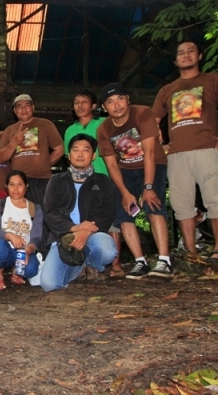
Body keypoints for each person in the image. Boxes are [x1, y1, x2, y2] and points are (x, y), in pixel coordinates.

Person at [152, 40, 218, 264]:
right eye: (181, 53)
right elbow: (152, 121)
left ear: (199, 56)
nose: (186, 55)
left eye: (191, 51)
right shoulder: (167, 90)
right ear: (175, 61)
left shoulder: (214, 80)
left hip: (207, 149)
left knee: (215, 199)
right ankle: (192, 253)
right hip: (176, 155)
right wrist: (161, 143)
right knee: (181, 204)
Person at [97, 83, 172, 279]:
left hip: (153, 164)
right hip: (126, 172)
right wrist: (124, 192)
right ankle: (141, 262)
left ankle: (164, 260)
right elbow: (112, 165)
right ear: (105, 107)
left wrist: (148, 187)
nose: (117, 105)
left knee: (153, 205)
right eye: (110, 102)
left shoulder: (142, 113)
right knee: (123, 214)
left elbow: (149, 152)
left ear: (128, 99)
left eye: (120, 99)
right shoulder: (104, 129)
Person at [39, 134, 118, 292]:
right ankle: (79, 267)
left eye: (85, 150)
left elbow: (107, 213)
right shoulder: (56, 181)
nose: (80, 154)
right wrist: (74, 228)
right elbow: (50, 212)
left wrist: (85, 233)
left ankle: (91, 263)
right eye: (75, 150)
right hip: (64, 237)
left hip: (93, 236)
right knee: (49, 285)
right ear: (69, 156)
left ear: (93, 155)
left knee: (107, 250)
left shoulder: (103, 182)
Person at [64, 89, 123, 277]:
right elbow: (69, 158)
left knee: (111, 222)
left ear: (94, 106)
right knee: (81, 222)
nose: (80, 106)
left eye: (84, 102)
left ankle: (115, 264)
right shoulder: (70, 130)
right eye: (76, 102)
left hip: (105, 179)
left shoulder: (104, 124)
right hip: (79, 184)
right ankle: (83, 263)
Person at [0, 94, 64, 205]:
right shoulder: (9, 130)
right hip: (18, 182)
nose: (23, 109)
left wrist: (45, 163)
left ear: (33, 108)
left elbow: (60, 149)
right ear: (14, 110)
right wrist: (14, 143)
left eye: (27, 105)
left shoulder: (45, 124)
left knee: (42, 215)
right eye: (19, 106)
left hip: (42, 180)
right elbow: (0, 158)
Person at [0, 170, 42, 289]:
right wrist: (10, 236)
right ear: (6, 186)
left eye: (20, 184)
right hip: (3, 249)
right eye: (12, 184)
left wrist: (28, 250)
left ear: (26, 186)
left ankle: (16, 271)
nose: (15, 188)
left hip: (22, 252)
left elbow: (37, 236)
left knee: (31, 270)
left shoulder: (34, 208)